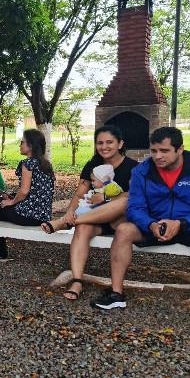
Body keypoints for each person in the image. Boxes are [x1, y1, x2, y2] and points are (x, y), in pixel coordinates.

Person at [91, 127, 190, 317]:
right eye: (153, 151)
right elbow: (134, 208)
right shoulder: (141, 172)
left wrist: (182, 223)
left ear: (180, 149)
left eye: (164, 151)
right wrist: (150, 225)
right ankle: (116, 294)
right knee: (124, 229)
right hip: (154, 227)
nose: (158, 156)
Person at [40, 125, 138, 300]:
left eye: (110, 142)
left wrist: (106, 200)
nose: (104, 147)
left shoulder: (132, 167)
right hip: (95, 219)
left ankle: (64, 222)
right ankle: (77, 281)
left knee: (124, 201)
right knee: (82, 228)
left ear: (120, 144)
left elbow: (135, 196)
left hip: (121, 221)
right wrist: (71, 212)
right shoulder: (93, 165)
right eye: (100, 143)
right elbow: (79, 194)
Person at [0, 129, 55, 261]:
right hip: (43, 215)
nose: (20, 145)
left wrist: (12, 202)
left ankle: (0, 252)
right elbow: (35, 191)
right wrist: (13, 197)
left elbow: (24, 191)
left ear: (30, 146)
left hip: (28, 215)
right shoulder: (46, 164)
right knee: (3, 203)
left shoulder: (28, 163)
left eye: (22, 142)